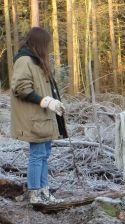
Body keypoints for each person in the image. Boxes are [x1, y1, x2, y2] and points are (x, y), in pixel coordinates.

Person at [10, 27, 66, 205]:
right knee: (38, 154)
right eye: (46, 43)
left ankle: (44, 191)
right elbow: (20, 88)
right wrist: (45, 102)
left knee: (44, 153)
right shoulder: (25, 60)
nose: (48, 47)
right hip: (34, 118)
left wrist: (54, 103)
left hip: (44, 117)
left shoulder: (37, 61)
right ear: (39, 43)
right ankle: (35, 193)